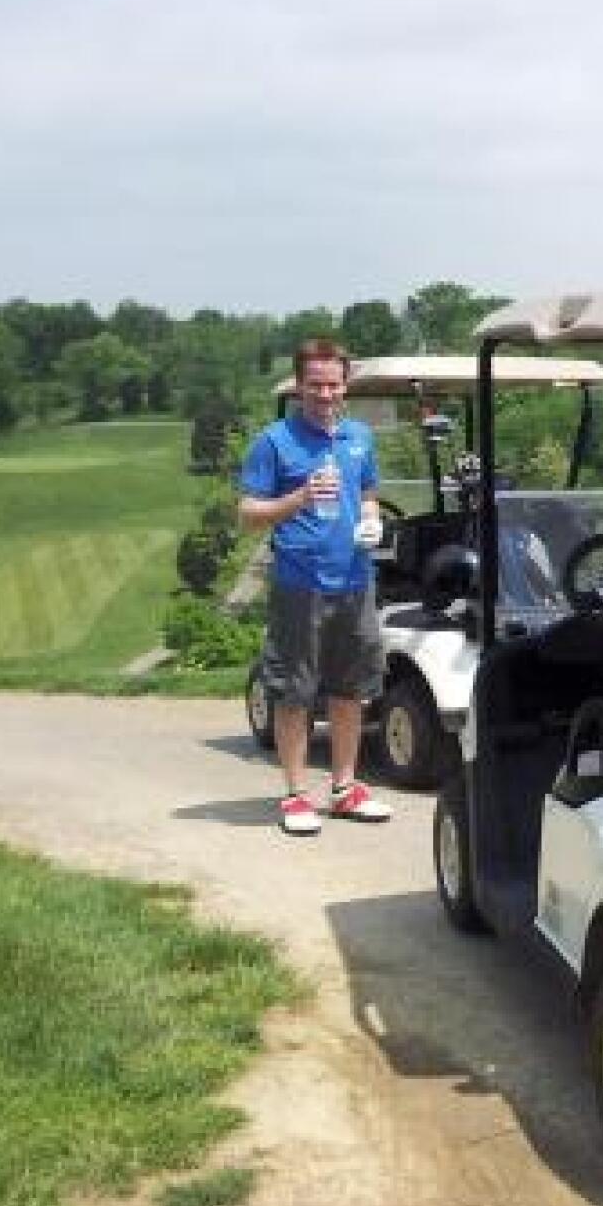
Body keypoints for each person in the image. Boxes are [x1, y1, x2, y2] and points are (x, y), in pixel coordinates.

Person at [239, 338, 393, 836]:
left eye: (333, 384)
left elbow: (367, 492)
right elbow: (249, 515)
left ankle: (345, 788)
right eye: (315, 385)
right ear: (298, 386)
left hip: (354, 578)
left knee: (350, 688)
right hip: (300, 584)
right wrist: (300, 498)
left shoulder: (358, 437)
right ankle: (294, 794)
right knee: (295, 692)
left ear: (345, 385)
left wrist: (371, 519)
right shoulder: (275, 441)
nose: (325, 394)